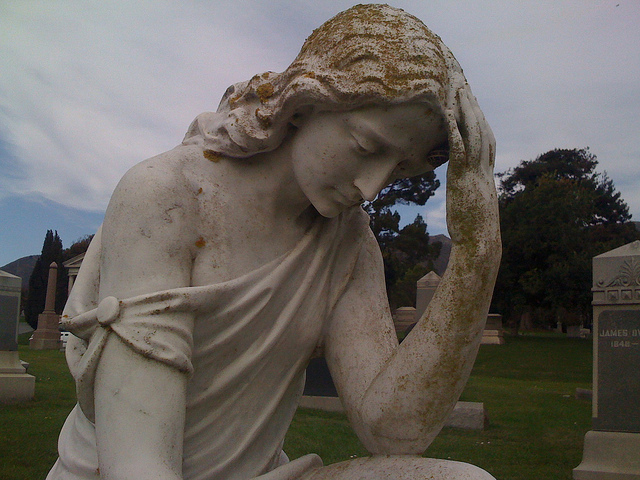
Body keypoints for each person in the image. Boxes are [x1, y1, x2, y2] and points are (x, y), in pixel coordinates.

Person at [47, 5, 500, 480]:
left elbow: (393, 430)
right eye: (367, 148)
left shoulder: (350, 242)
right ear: (307, 102)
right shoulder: (166, 196)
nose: (372, 187)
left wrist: (478, 251)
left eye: (400, 169)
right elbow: (138, 462)